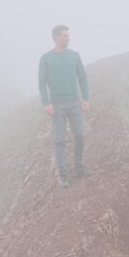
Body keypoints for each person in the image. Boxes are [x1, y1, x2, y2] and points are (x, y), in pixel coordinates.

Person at [38, 25, 90, 187]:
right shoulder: (46, 58)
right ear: (56, 37)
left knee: (80, 134)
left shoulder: (74, 56)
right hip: (57, 105)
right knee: (60, 140)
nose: (68, 38)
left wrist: (86, 98)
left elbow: (82, 77)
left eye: (68, 36)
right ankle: (62, 176)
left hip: (74, 102)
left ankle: (79, 168)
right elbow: (41, 83)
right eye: (64, 36)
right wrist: (47, 103)